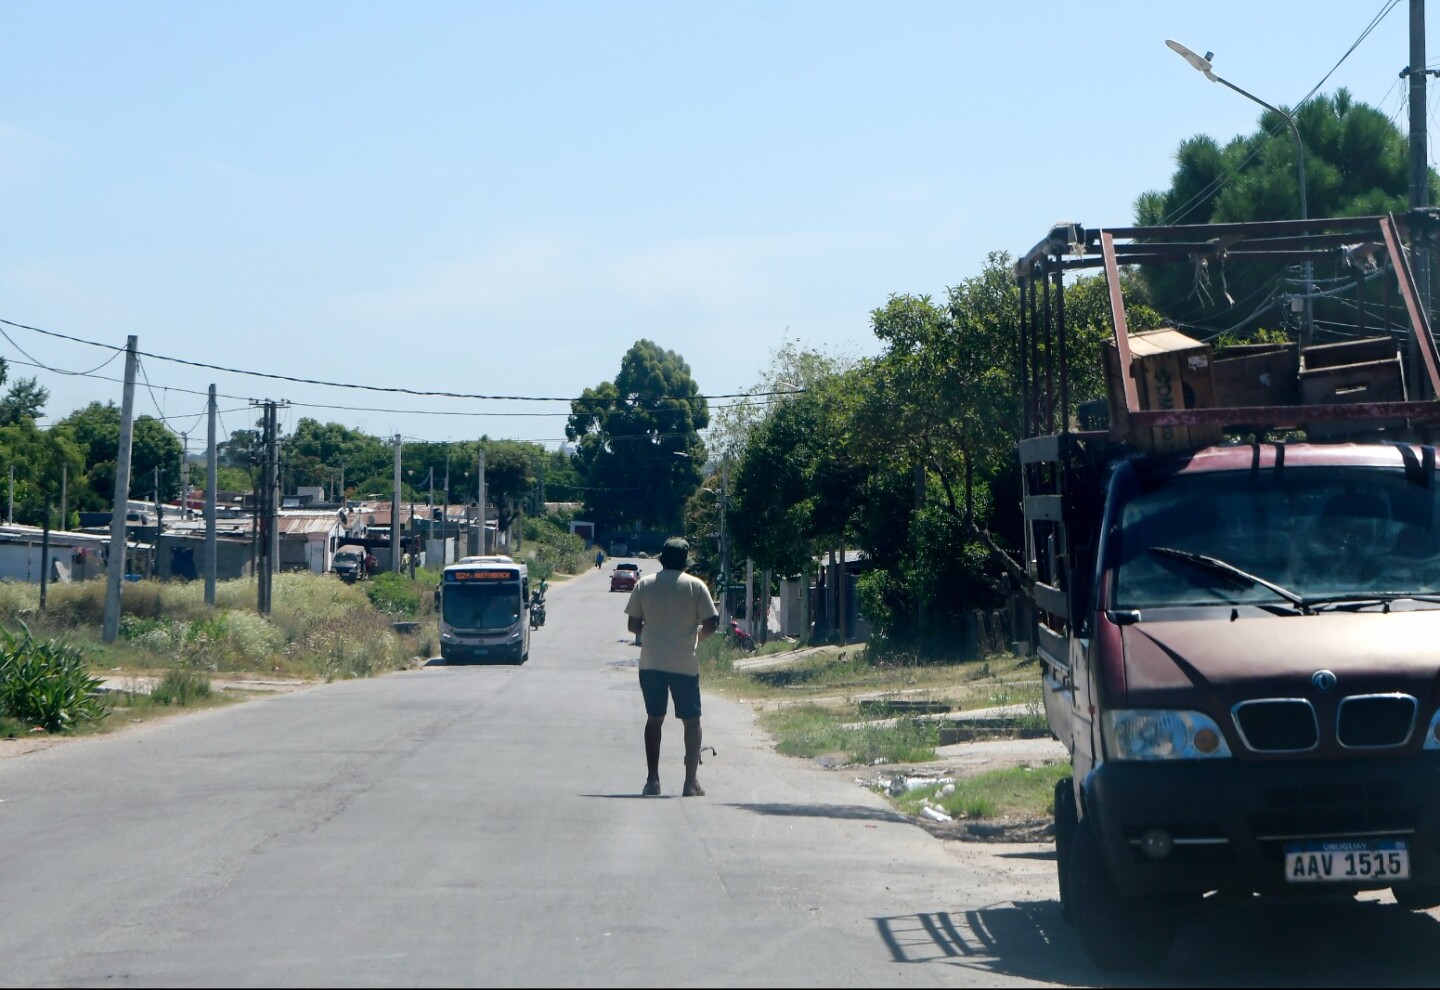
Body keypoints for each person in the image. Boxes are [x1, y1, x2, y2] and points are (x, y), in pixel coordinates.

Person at [625, 537, 719, 797]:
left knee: (655, 719)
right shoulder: (695, 586)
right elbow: (712, 623)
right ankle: (690, 783)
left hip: (651, 662)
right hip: (684, 663)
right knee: (691, 721)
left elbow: (633, 626)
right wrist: (696, 636)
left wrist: (653, 635)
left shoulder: (644, 585)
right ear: (685, 562)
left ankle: (653, 780)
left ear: (663, 559)